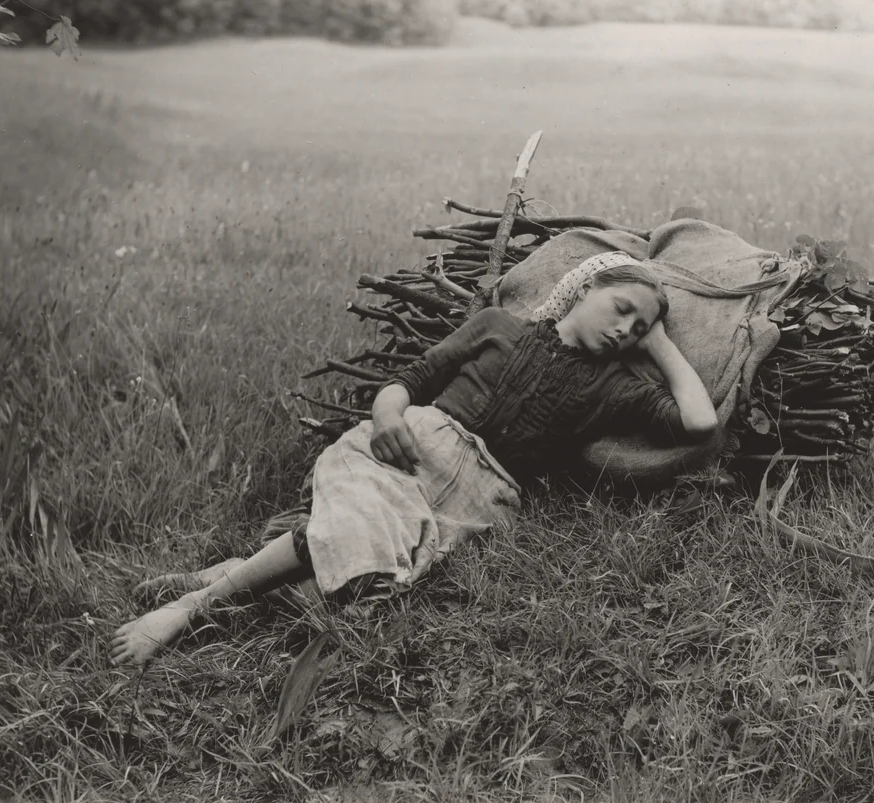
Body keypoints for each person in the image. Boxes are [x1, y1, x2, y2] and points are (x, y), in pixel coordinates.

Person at [110, 252, 718, 666]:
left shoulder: (612, 390)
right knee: (358, 526)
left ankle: (235, 570)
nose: (627, 330)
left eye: (637, 328)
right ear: (584, 289)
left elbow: (699, 421)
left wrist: (658, 339)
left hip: (478, 497)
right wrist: (386, 417)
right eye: (622, 309)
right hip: (411, 447)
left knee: (374, 579)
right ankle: (190, 609)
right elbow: (409, 380)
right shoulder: (498, 327)